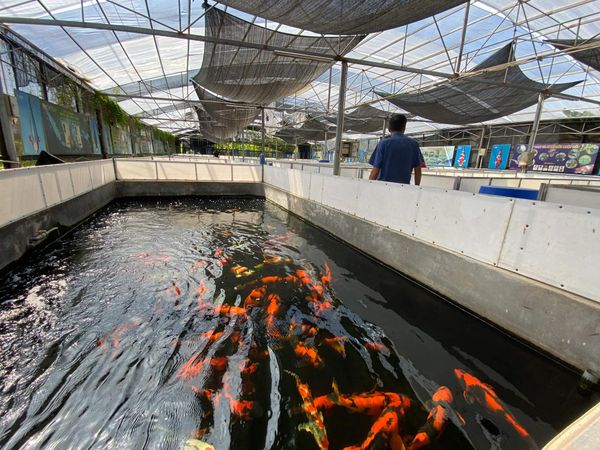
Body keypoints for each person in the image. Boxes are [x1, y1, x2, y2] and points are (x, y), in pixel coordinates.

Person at [369, 114, 424, 185]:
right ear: (404, 128)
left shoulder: (383, 144)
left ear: (389, 128)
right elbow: (418, 170)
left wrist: (369, 186)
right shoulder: (413, 144)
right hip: (403, 187)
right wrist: (416, 188)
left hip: (384, 187)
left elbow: (375, 171)